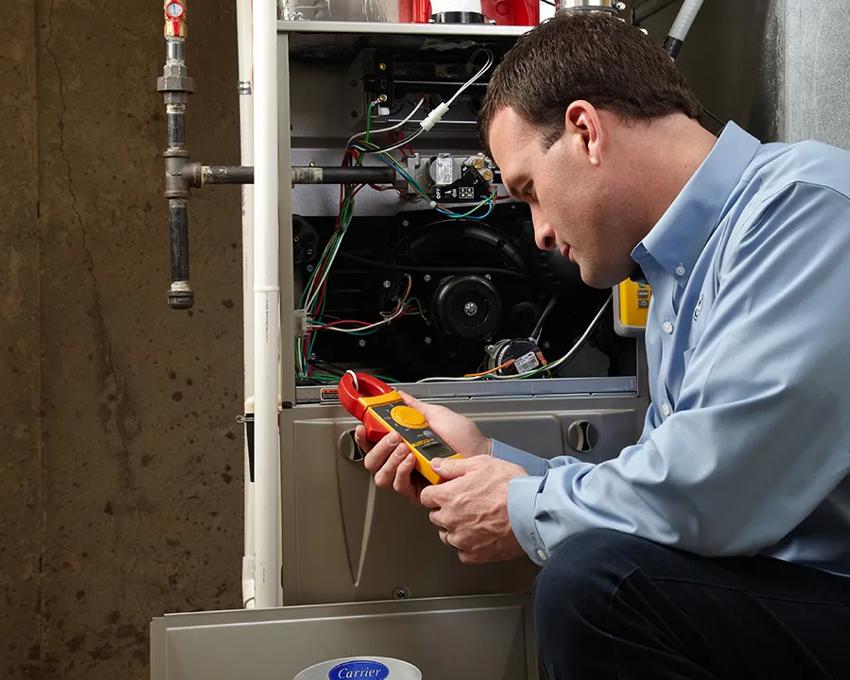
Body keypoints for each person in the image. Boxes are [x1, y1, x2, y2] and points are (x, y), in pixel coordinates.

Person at [354, 11, 850, 680]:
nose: (537, 235)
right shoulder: (677, 270)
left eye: (529, 191)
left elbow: (710, 491)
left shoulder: (808, 207)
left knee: (599, 588)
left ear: (586, 131)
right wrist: (489, 462)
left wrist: (519, 508)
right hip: (798, 596)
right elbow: (662, 488)